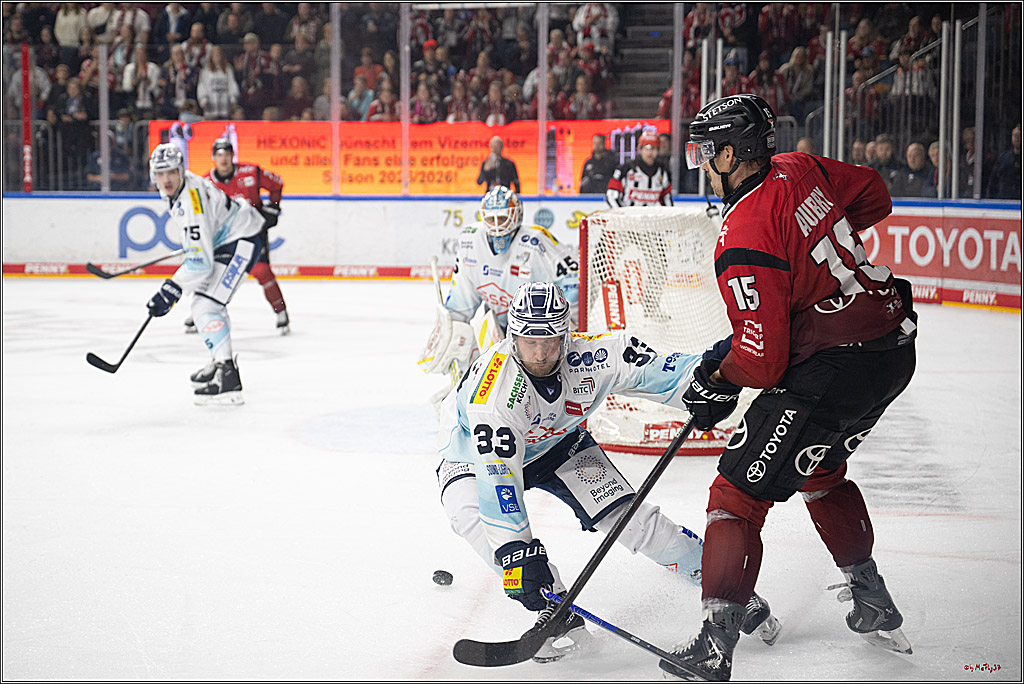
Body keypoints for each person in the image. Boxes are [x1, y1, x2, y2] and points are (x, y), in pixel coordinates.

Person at [661, 93, 918, 680]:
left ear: (732, 153)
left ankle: (714, 643)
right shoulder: (800, 167)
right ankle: (871, 597)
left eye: (708, 151)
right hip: (892, 349)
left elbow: (765, 361)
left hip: (835, 367)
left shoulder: (742, 233)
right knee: (817, 468)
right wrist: (821, 260)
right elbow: (874, 192)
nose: (703, 162)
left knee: (735, 495)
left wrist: (717, 381)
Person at [434, 281, 780, 663]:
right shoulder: (494, 396)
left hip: (559, 444)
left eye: (549, 341)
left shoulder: (596, 354)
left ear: (567, 336)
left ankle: (730, 592)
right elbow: (498, 484)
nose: (538, 353)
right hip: (472, 457)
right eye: (528, 342)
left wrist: (705, 382)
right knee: (474, 522)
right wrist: (517, 554)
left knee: (636, 522)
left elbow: (662, 370)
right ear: (512, 336)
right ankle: (554, 607)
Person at [419, 186, 579, 392]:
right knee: (482, 376)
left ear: (516, 215)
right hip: (498, 324)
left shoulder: (535, 240)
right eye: (491, 219)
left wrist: (569, 322)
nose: (496, 226)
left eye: (502, 218)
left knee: (537, 383)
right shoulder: (470, 241)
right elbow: (461, 304)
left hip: (538, 328)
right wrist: (450, 332)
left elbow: (573, 276)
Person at [145, 144, 266, 405]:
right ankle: (221, 361)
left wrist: (170, 289)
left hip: (242, 239)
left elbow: (200, 264)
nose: (166, 179)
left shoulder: (191, 204)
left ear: (181, 170)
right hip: (234, 235)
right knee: (211, 302)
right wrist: (197, 241)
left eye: (171, 172)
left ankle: (228, 377)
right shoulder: (181, 188)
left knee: (205, 305)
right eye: (160, 173)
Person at [188, 138, 291, 335]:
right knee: (211, 272)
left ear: (232, 156)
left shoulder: (251, 172)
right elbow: (198, 211)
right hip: (223, 237)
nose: (223, 159)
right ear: (213, 158)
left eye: (227, 154)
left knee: (262, 271)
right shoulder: (205, 183)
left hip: (252, 233)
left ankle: (281, 312)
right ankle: (199, 313)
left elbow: (277, 183)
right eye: (219, 155)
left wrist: (274, 207)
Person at [605, 128, 674, 320]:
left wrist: (667, 225)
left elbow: (666, 200)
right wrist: (623, 217)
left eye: (654, 147)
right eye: (646, 147)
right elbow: (611, 196)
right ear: (640, 149)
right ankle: (589, 306)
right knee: (601, 264)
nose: (650, 151)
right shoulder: (626, 169)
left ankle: (651, 309)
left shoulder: (663, 171)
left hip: (651, 228)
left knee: (659, 267)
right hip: (624, 227)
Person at [987, 124, 1022, 199]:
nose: (1017, 138)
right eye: (1015, 135)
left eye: (1020, 135)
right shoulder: (1003, 157)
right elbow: (993, 181)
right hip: (1002, 199)